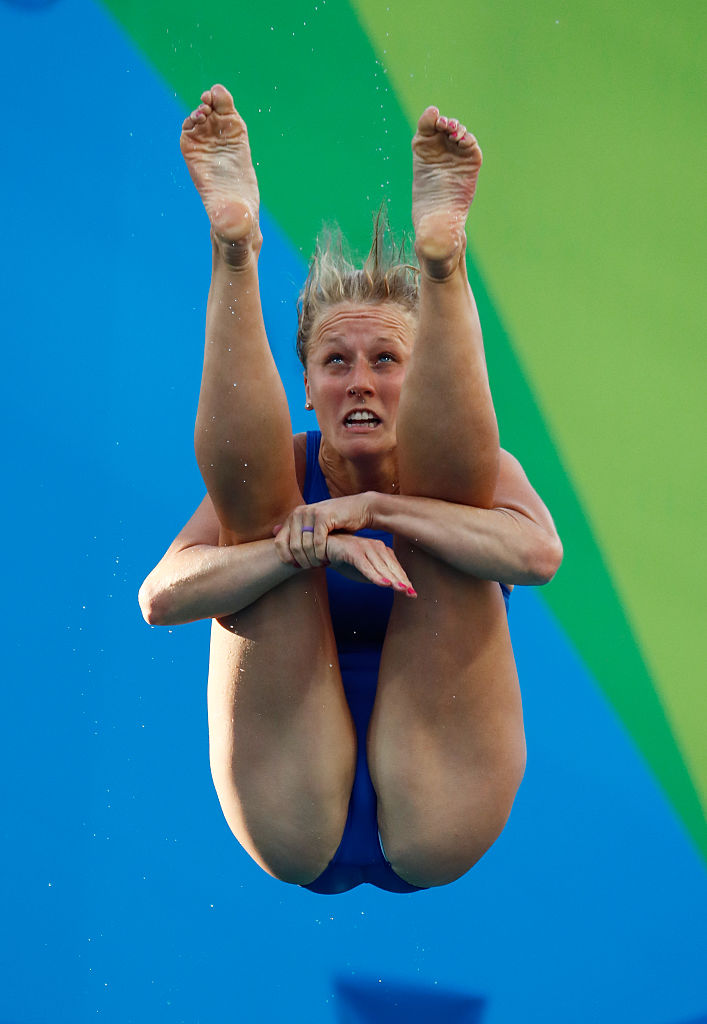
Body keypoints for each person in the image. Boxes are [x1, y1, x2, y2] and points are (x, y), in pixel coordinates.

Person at [138, 84, 562, 895]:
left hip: (444, 798)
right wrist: (304, 548)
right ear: (304, 386)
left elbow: (537, 555)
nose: (359, 382)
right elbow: (161, 599)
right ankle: (235, 252)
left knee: (454, 507)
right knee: (258, 519)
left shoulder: (479, 470)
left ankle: (444, 266)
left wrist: (373, 510)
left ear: (420, 378)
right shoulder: (291, 463)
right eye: (336, 362)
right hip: (287, 804)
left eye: (386, 361)